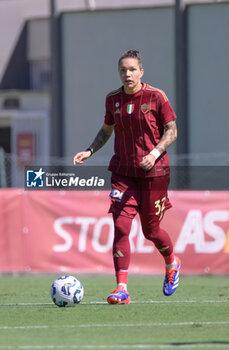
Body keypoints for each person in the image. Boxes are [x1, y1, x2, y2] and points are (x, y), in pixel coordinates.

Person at [73, 49, 181, 304]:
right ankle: (121, 288)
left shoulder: (156, 96)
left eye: (132, 69)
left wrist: (154, 153)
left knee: (151, 231)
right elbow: (106, 130)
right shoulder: (113, 99)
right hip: (123, 172)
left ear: (141, 72)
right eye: (123, 70)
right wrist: (89, 150)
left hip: (154, 172)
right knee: (121, 226)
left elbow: (172, 131)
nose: (127, 74)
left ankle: (172, 262)